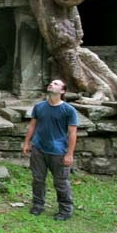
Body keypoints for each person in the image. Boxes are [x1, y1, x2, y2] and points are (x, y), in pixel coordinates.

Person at [22, 79, 79, 221]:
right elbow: (32, 126)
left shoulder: (69, 110)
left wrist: (69, 154)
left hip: (58, 152)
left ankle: (65, 210)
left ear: (62, 91)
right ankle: (38, 205)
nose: (51, 84)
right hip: (39, 149)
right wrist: (27, 143)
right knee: (38, 179)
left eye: (56, 84)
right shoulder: (39, 107)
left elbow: (72, 133)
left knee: (61, 182)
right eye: (51, 83)